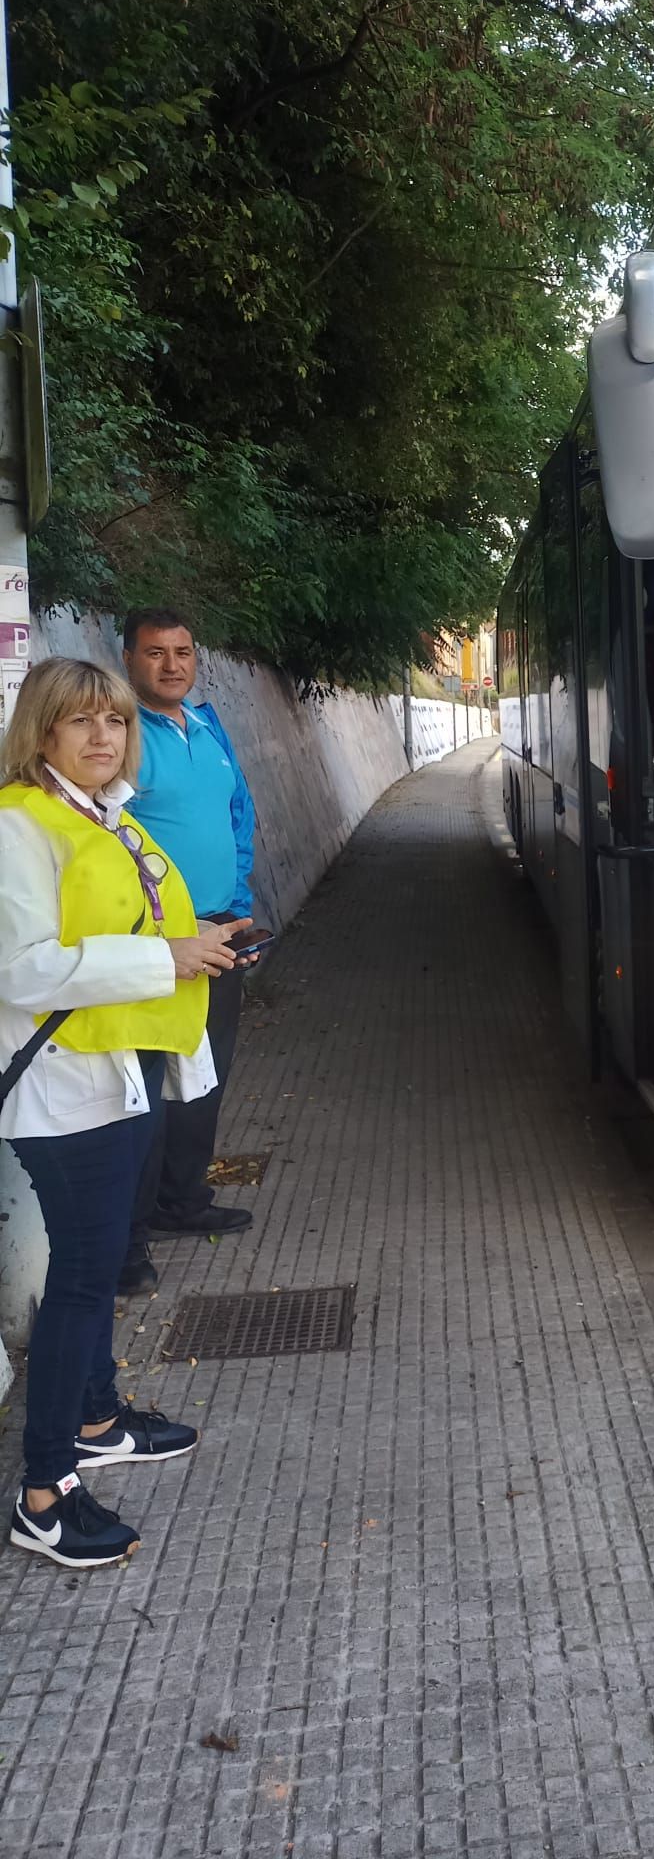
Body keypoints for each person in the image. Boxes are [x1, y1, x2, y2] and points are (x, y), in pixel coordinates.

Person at [0, 657, 246, 1566]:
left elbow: (135, 928)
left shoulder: (103, 815)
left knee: (97, 1270)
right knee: (81, 1277)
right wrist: (165, 961)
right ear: (43, 733)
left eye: (114, 721)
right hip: (62, 1091)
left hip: (119, 1075)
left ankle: (98, 1416)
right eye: (80, 722)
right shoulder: (20, 826)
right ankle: (43, 1490)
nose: (103, 736)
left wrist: (206, 945)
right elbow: (19, 968)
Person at [120, 608, 260, 1290]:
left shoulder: (208, 726)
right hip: (155, 945)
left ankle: (183, 1201)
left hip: (219, 931)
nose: (172, 665)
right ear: (128, 659)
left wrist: (237, 906)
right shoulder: (121, 736)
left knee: (206, 1078)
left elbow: (240, 814)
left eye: (182, 651)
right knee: (142, 1092)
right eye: (155, 653)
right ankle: (127, 1241)